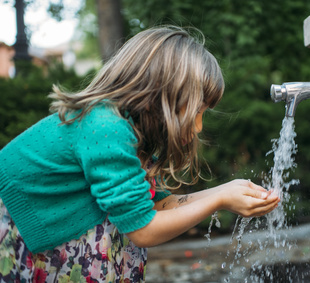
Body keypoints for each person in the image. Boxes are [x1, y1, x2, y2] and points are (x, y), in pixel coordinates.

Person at [0, 26, 280, 282]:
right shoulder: (106, 129)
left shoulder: (129, 133)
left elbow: (159, 207)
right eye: (197, 111)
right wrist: (219, 199)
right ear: (164, 95)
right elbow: (144, 229)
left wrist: (226, 191)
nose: (198, 127)